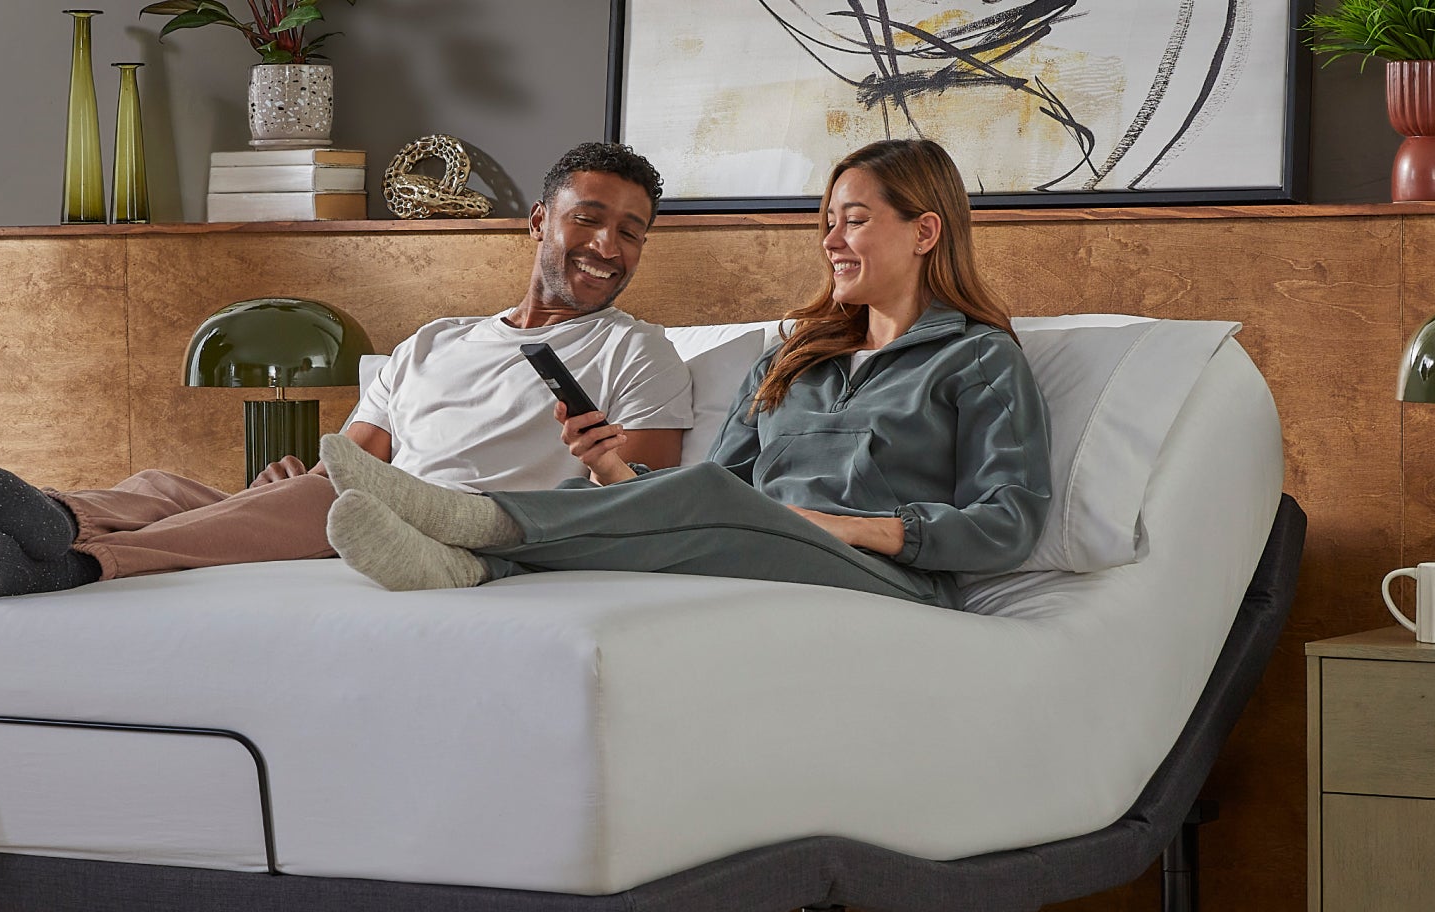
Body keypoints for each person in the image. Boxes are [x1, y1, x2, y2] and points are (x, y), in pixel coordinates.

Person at [0, 142, 695, 600]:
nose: (607, 246)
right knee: (166, 484)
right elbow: (356, 456)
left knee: (327, 496)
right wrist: (287, 483)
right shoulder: (434, 342)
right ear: (538, 221)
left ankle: (75, 560)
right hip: (367, 499)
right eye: (589, 219)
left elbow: (648, 502)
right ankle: (46, 514)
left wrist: (602, 465)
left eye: (631, 232)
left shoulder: (636, 350)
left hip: (465, 528)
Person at [317, 137, 1049, 607]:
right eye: (826, 221)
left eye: (853, 220)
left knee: (710, 498)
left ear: (925, 231)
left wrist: (845, 528)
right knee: (631, 491)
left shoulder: (977, 358)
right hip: (759, 547)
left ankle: (466, 518)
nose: (830, 240)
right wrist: (612, 471)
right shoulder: (791, 359)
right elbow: (716, 492)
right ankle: (469, 567)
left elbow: (1008, 522)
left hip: (884, 578)